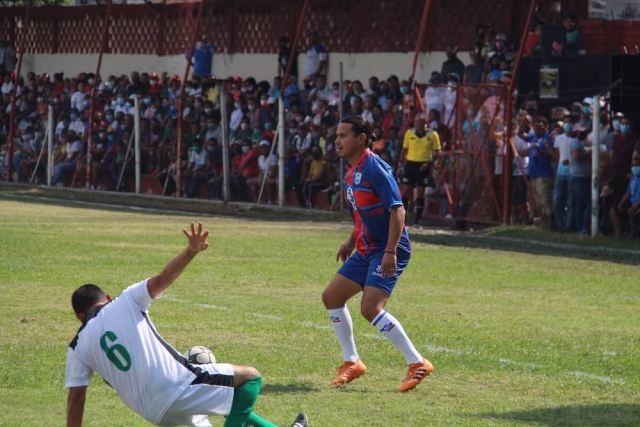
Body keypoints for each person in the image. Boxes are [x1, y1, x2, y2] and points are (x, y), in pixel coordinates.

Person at [65, 222, 309, 427]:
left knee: (220, 401)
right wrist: (191, 251)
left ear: (79, 316)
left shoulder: (76, 347)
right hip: (174, 384)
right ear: (106, 298)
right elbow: (164, 278)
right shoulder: (124, 300)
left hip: (152, 413)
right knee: (250, 377)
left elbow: (76, 399)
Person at [321, 116, 433, 393]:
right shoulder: (351, 170)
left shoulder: (374, 167)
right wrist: (350, 240)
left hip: (387, 249)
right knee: (331, 297)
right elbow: (362, 213)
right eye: (337, 135)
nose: (337, 140)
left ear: (361, 138)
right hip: (365, 248)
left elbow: (398, 209)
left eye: (344, 135)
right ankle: (352, 362)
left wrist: (390, 251)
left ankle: (417, 362)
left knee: (370, 309)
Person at [396, 114, 441, 227]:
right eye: (416, 122)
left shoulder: (433, 135)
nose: (417, 124)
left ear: (425, 122)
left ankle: (418, 220)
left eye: (420, 122)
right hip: (410, 165)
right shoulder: (409, 133)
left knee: (420, 194)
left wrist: (429, 163)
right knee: (405, 191)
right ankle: (403, 219)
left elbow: (437, 153)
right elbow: (404, 150)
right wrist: (401, 165)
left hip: (423, 165)